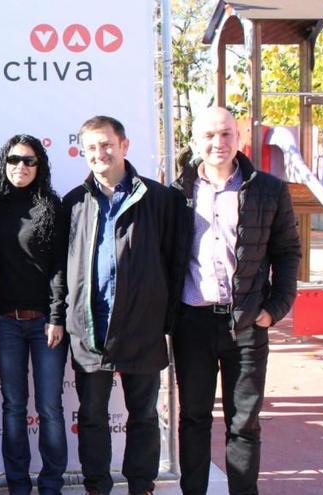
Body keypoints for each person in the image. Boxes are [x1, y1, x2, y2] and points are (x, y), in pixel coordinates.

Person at [170, 107, 300, 495]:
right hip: (192, 322)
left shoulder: (269, 189)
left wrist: (274, 309)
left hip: (246, 323)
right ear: (195, 141)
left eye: (226, 134)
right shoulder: (176, 193)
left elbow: (288, 252)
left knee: (243, 422)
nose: (218, 143)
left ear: (239, 137)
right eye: (209, 135)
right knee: (193, 418)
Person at [62, 116, 175, 495]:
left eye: (106, 144)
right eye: (91, 147)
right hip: (91, 330)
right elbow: (63, 268)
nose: (99, 153)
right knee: (92, 417)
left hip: (142, 331)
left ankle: (141, 486)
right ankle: (97, 486)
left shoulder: (159, 199)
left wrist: (166, 319)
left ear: (124, 145)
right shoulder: (75, 202)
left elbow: (174, 263)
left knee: (142, 416)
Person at [0, 134, 68, 495]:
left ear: (40, 166)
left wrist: (55, 315)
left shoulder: (52, 206)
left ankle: (50, 485)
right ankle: (17, 485)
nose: (21, 166)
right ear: (4, 164)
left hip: (44, 323)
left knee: (50, 407)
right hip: (5, 320)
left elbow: (59, 267)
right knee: (13, 407)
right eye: (14, 159)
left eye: (30, 161)